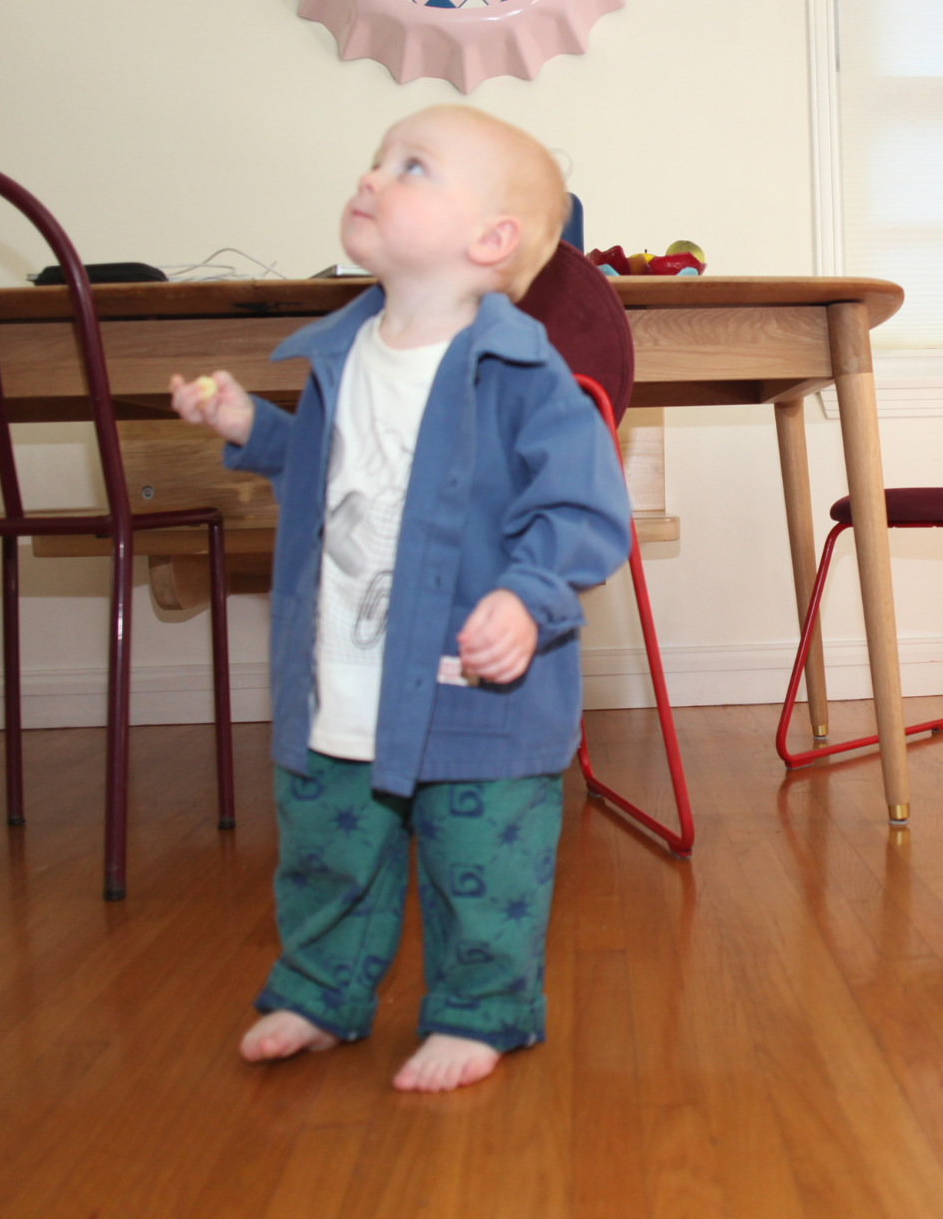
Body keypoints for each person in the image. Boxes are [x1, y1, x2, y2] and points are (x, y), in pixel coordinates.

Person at [170, 105, 632, 1093]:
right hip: (340, 665)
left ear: (490, 241)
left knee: (483, 863)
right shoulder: (344, 355)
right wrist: (252, 423)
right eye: (377, 159)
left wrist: (530, 594)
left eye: (412, 167)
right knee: (329, 849)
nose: (375, 176)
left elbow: (582, 505)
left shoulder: (524, 374)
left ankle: (481, 1010)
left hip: (475, 687)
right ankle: (319, 992)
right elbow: (337, 479)